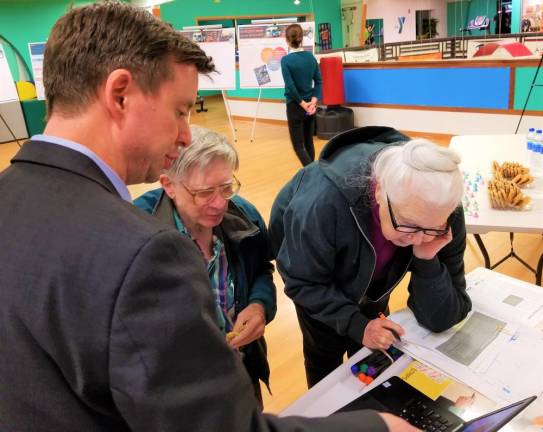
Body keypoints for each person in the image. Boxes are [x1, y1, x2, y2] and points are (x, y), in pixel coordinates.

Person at [0, 3, 417, 431]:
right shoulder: (142, 251)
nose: (184, 135)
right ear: (120, 94)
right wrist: (379, 426)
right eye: (180, 111)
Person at [269, 126, 472, 388]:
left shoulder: (440, 211)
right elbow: (302, 280)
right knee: (324, 353)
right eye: (409, 225)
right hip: (315, 279)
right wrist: (356, 324)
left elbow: (444, 317)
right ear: (379, 193)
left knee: (370, 354)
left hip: (374, 280)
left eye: (430, 229)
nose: (420, 238)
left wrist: (426, 260)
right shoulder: (323, 202)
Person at [133, 125, 276, 408]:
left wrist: (260, 305)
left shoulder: (244, 215)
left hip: (241, 369)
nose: (220, 203)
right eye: (204, 192)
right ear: (168, 185)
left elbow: (261, 270)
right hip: (179, 389)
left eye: (226, 187)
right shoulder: (135, 232)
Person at [281, 23, 322, 167]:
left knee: (298, 146)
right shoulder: (310, 57)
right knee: (308, 142)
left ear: (287, 40)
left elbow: (291, 87)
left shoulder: (286, 60)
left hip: (295, 107)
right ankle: (313, 173)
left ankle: (313, 173)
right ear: (302, 39)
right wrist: (313, 101)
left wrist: (303, 104)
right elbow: (318, 82)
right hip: (310, 107)